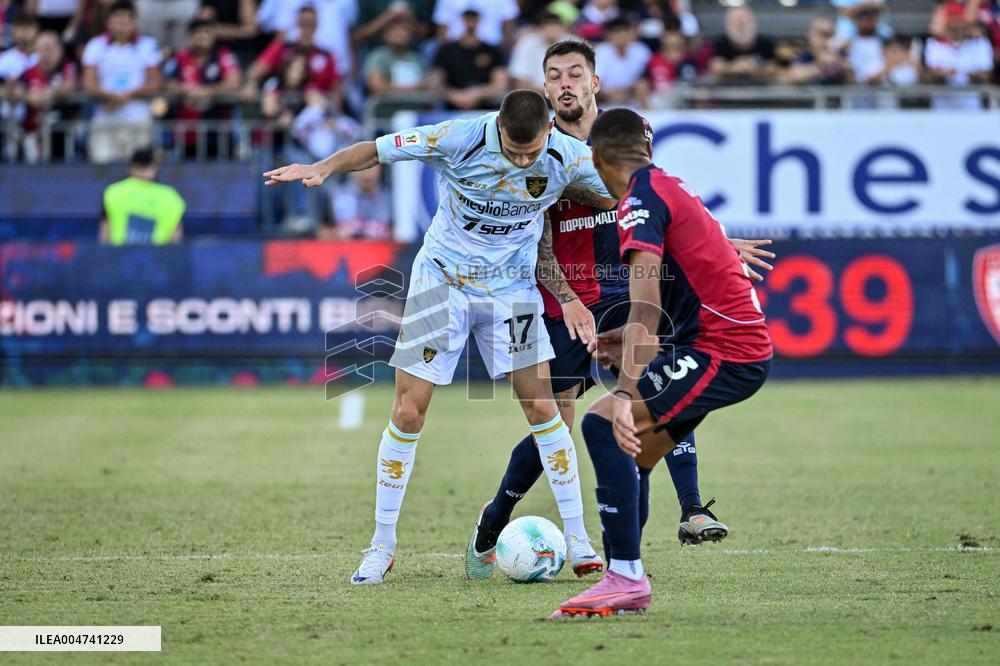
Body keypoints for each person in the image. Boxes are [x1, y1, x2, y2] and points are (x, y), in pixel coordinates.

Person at [263, 89, 619, 586]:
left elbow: (636, 196)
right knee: (409, 412)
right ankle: (381, 545)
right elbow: (377, 148)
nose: (521, 160)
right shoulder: (458, 137)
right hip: (442, 282)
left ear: (547, 134)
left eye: (530, 152)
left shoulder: (570, 154)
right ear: (496, 125)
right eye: (513, 151)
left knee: (543, 408)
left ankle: (578, 537)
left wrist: (707, 236)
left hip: (512, 290)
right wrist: (323, 167)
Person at [465, 40, 775, 583]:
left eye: (575, 74)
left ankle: (680, 516)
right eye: (554, 75)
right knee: (554, 427)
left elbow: (666, 209)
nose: (565, 83)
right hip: (563, 302)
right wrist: (567, 301)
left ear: (594, 83)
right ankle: (495, 519)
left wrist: (720, 244)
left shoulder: (622, 140)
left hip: (624, 293)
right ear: (544, 89)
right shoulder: (536, 151)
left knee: (652, 388)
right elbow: (533, 240)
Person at [552, 108, 772, 617]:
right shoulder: (666, 184)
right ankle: (625, 574)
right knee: (640, 455)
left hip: (725, 350)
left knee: (603, 422)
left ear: (597, 158)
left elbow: (647, 307)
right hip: (720, 344)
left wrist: (625, 393)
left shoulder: (639, 201)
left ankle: (624, 576)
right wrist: (620, 336)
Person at [81, 0, 160, 164]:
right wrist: (112, 97)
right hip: (105, 118)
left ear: (135, 22)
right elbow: (89, 84)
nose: (123, 22)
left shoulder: (147, 45)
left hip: (138, 119)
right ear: (108, 21)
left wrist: (126, 96)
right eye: (118, 17)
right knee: (101, 167)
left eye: (128, 18)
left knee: (137, 169)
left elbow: (154, 83)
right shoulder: (95, 46)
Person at [163, 18, 241, 157]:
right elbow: (166, 83)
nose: (202, 36)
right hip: (185, 132)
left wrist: (206, 92)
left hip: (218, 131)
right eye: (197, 32)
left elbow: (234, 82)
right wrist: (184, 90)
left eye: (207, 32)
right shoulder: (179, 58)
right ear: (190, 36)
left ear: (214, 36)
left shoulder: (223, 55)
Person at [13, 30, 76, 162]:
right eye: (43, 48)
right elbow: (15, 90)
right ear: (36, 50)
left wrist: (51, 92)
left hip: (62, 133)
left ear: (59, 49)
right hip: (32, 132)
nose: (47, 53)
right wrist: (27, 96)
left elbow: (70, 85)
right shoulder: (28, 73)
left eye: (51, 48)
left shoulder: (66, 68)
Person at [100, 147, 185, 245]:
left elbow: (104, 233)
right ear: (154, 167)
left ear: (132, 166)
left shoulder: (113, 192)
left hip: (119, 257)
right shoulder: (171, 197)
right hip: (157, 258)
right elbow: (176, 237)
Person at [431, 9, 508, 110]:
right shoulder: (446, 50)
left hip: (485, 110)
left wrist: (476, 94)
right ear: (460, 22)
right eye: (467, 20)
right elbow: (435, 82)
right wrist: (453, 95)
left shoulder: (492, 51)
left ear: (480, 22)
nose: (470, 25)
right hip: (451, 110)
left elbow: (500, 84)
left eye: (474, 20)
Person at [924, 2, 994, 109]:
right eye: (951, 21)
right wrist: (944, 74)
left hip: (972, 110)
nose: (955, 25)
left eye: (958, 20)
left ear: (964, 22)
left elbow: (985, 76)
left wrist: (962, 73)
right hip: (941, 111)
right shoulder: (934, 44)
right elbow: (931, 76)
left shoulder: (980, 43)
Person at [709, 4, 777, 84]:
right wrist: (733, 67)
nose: (740, 23)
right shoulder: (721, 42)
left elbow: (773, 68)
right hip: (728, 90)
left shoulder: (765, 42)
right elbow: (715, 67)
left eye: (744, 19)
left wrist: (754, 69)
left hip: (761, 91)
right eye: (736, 20)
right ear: (728, 23)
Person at [321, 163, 392, 240]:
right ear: (352, 170)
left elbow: (399, 232)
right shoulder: (335, 196)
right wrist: (337, 233)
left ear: (381, 169)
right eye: (362, 168)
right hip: (345, 248)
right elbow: (321, 231)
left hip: (381, 248)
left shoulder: (393, 198)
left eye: (371, 167)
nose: (366, 174)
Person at [508, 11, 571, 91]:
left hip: (567, 95)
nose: (552, 29)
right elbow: (519, 80)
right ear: (539, 28)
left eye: (555, 25)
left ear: (563, 28)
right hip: (534, 96)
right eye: (548, 25)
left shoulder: (574, 44)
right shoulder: (527, 43)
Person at [594, 17, 651, 104]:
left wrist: (629, 91)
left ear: (630, 32)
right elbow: (593, 83)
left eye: (624, 31)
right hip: (606, 100)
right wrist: (608, 94)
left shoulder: (641, 50)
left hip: (634, 98)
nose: (621, 35)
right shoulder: (601, 51)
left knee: (642, 86)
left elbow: (647, 79)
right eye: (616, 32)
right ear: (608, 35)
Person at [786, 16, 852, 85]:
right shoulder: (804, 55)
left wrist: (842, 66)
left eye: (831, 34)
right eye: (823, 34)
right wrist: (820, 64)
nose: (827, 39)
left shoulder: (840, 54)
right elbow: (795, 77)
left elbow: (852, 83)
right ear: (810, 35)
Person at [432, 0, 519, 48]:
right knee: (431, 48)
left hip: (492, 48)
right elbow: (442, 30)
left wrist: (500, 54)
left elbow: (509, 26)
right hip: (455, 49)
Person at [0, 12, 38, 84]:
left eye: (28, 26)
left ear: (36, 30)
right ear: (13, 32)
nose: (24, 31)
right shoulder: (3, 59)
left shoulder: (44, 56)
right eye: (20, 27)